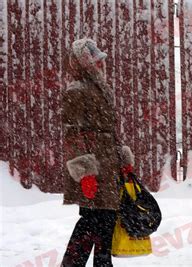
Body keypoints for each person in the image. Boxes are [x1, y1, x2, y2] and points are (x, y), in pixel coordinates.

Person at [61, 38, 134, 267]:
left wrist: (122, 158)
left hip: (109, 165)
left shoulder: (101, 88)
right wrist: (85, 172)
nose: (99, 64)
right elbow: (72, 134)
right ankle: (72, 264)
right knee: (91, 219)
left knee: (108, 218)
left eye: (99, 60)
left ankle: (103, 264)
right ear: (82, 63)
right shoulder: (76, 90)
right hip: (93, 165)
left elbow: (109, 130)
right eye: (94, 60)